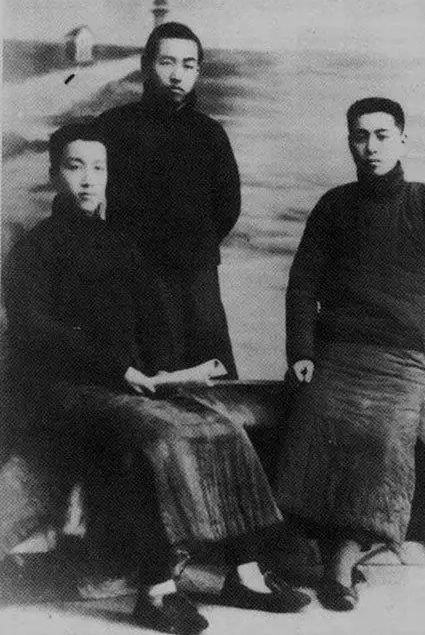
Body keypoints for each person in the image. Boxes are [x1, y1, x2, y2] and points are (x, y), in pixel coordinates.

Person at [2, 123, 309, 634]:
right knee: (160, 436)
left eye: (98, 168)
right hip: (64, 391)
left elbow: (153, 319)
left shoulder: (122, 244)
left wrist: (169, 371)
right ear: (55, 174)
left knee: (222, 425)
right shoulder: (35, 249)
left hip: (127, 385)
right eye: (75, 167)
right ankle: (157, 590)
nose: (88, 179)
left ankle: (245, 574)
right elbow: (37, 332)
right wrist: (120, 370)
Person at [276, 97, 425, 611]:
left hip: (400, 361)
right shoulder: (334, 205)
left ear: (403, 139)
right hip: (335, 351)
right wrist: (301, 350)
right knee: (311, 423)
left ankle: (342, 563)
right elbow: (302, 283)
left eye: (382, 135)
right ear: (349, 143)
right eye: (361, 136)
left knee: (382, 442)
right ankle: (312, 550)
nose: (371, 147)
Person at [96, 22, 240, 378]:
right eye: (167, 62)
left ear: (198, 72)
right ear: (146, 66)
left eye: (189, 65)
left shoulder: (210, 134)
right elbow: (90, 195)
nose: (178, 75)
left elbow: (228, 205)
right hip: (134, 273)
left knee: (211, 377)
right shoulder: (113, 126)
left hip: (196, 278)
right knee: (146, 379)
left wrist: (194, 243)